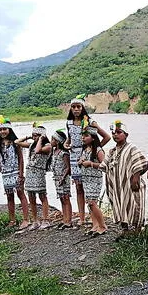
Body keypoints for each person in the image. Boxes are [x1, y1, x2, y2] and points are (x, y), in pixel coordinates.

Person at [65, 95, 110, 226]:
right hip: (74, 157)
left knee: (87, 187)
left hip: (88, 155)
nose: (76, 109)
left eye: (78, 107)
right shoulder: (68, 123)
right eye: (73, 107)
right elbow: (69, 138)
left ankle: (93, 219)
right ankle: (82, 217)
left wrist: (95, 150)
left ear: (83, 108)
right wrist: (66, 145)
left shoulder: (90, 122)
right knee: (79, 187)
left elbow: (106, 137)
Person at [102, 120, 148, 233]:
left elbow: (142, 164)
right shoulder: (112, 151)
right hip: (118, 186)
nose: (115, 135)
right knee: (120, 205)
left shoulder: (132, 148)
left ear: (126, 135)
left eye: (119, 132)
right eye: (114, 133)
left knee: (134, 205)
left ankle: (137, 232)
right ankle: (125, 230)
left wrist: (135, 178)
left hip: (130, 184)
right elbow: (104, 166)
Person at [0, 115, 29, 228]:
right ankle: (12, 220)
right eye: (0, 130)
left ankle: (26, 219)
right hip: (6, 174)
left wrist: (21, 174)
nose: (2, 131)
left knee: (20, 194)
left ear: (9, 130)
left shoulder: (15, 143)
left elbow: (21, 159)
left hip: (16, 172)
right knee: (9, 196)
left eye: (4, 129)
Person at [16, 123, 52, 230]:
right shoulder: (32, 144)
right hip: (30, 172)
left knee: (42, 196)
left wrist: (41, 139)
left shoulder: (48, 146)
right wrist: (28, 137)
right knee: (31, 196)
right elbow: (17, 142)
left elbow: (37, 151)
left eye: (36, 135)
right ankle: (35, 220)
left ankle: (45, 220)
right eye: (34, 135)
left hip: (39, 172)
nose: (34, 137)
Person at [79, 125, 108, 236]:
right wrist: (81, 161)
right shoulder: (85, 149)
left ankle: (102, 226)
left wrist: (91, 164)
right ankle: (95, 225)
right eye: (82, 136)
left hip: (95, 179)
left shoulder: (99, 150)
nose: (83, 138)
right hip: (86, 178)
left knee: (92, 203)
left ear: (93, 137)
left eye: (86, 136)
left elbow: (105, 166)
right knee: (89, 203)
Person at [50, 129, 73, 230]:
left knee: (66, 198)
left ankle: (69, 221)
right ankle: (65, 219)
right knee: (62, 199)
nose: (51, 141)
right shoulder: (54, 152)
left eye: (53, 139)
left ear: (58, 141)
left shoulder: (64, 153)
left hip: (63, 179)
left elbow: (68, 168)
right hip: (57, 178)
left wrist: (63, 178)